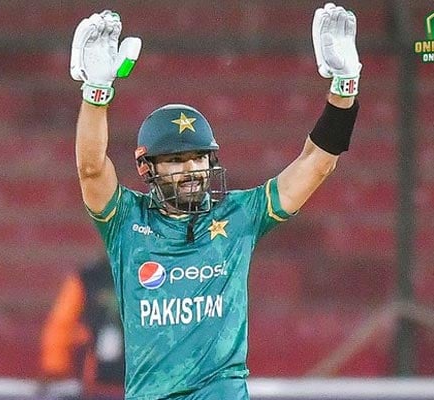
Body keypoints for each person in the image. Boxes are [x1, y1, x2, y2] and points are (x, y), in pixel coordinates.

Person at [70, 3, 360, 399]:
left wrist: (344, 87)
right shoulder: (125, 221)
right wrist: (96, 95)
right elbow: (90, 169)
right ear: (146, 167)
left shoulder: (240, 215)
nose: (190, 168)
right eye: (174, 160)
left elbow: (317, 164)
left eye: (198, 157)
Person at [41, 258, 125, 400]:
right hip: (95, 381)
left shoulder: (154, 275)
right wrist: (56, 369)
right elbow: (61, 326)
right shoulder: (88, 278)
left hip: (143, 380)